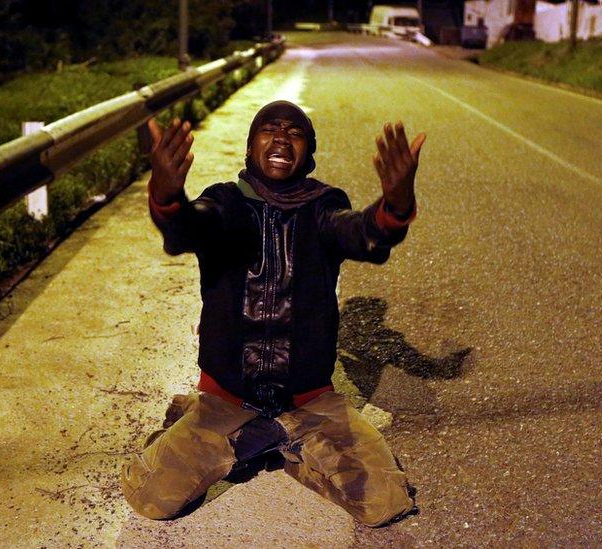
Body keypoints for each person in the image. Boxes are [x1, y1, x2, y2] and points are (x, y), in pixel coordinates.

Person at [120, 100, 426, 527]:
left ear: (308, 155)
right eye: (269, 128)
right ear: (249, 150)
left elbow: (361, 234)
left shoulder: (323, 206)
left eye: (294, 132)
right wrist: (169, 196)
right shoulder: (225, 202)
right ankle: (231, 429)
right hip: (227, 398)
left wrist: (393, 207)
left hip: (310, 403)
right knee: (150, 496)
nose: (281, 136)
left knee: (386, 502)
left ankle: (273, 440)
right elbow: (189, 226)